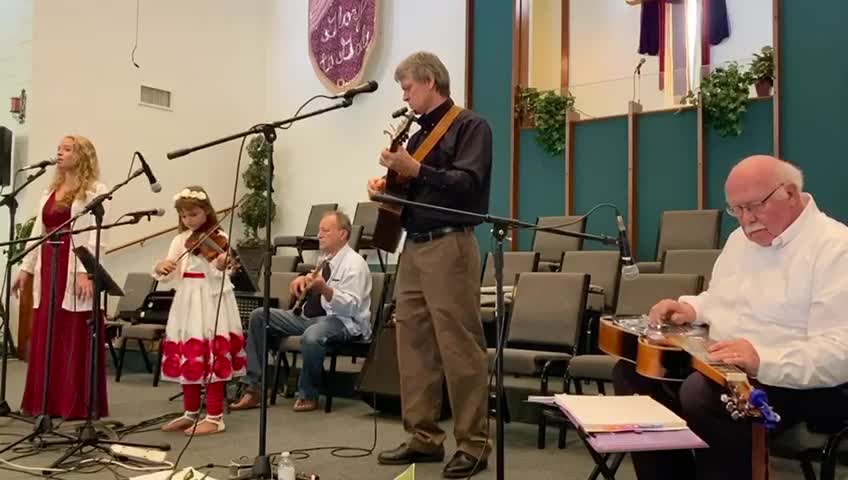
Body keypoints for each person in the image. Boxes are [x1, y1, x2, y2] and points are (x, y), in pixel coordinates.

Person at [613, 155, 848, 480]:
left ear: (790, 194)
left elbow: (839, 352)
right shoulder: (740, 241)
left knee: (702, 394)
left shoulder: (836, 248)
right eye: (736, 210)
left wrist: (762, 360)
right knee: (636, 372)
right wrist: (693, 308)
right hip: (726, 366)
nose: (745, 220)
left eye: (754, 207)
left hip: (805, 384)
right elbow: (725, 300)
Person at [367, 51, 493, 479]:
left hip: (450, 245)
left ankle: (474, 444)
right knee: (413, 344)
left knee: (459, 346)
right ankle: (423, 437)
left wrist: (416, 168)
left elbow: (468, 184)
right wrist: (386, 188)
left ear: (430, 81)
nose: (405, 95)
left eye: (408, 87)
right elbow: (416, 188)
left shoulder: (471, 125)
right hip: (414, 247)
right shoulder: (415, 133)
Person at [230, 210, 372, 413]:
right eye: (319, 230)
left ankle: (308, 394)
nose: (319, 235)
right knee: (260, 315)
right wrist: (303, 279)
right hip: (310, 317)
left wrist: (325, 289)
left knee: (312, 335)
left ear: (343, 234)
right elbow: (315, 283)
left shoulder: (355, 264)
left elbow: (351, 307)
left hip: (343, 321)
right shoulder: (324, 259)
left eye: (325, 230)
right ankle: (254, 388)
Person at [12, 135, 110, 420]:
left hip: (73, 263)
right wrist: (25, 268)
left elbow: (96, 236)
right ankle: (46, 401)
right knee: (48, 330)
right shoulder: (49, 190)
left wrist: (85, 271)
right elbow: (38, 232)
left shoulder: (95, 190)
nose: (60, 153)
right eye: (59, 149)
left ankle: (73, 402)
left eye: (67, 149)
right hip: (49, 264)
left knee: (71, 330)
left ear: (83, 155)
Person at [154, 186, 247, 436]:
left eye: (193, 214)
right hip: (186, 298)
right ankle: (190, 412)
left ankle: (215, 417)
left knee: (212, 355)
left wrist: (220, 263)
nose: (188, 220)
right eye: (184, 216)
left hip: (210, 298)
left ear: (206, 211)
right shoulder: (179, 239)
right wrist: (163, 267)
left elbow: (224, 270)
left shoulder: (219, 236)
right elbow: (172, 271)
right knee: (189, 353)